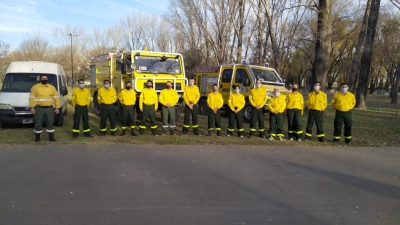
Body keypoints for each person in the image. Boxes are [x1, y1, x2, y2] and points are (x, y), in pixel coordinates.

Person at [29, 74, 60, 142]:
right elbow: (31, 98)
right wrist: (32, 108)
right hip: (39, 108)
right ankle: (37, 138)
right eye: (42, 78)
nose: (44, 79)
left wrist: (57, 108)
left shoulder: (52, 87)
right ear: (40, 79)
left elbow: (56, 98)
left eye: (45, 78)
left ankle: (51, 137)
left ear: (47, 79)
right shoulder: (35, 87)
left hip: (49, 108)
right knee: (38, 123)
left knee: (50, 123)